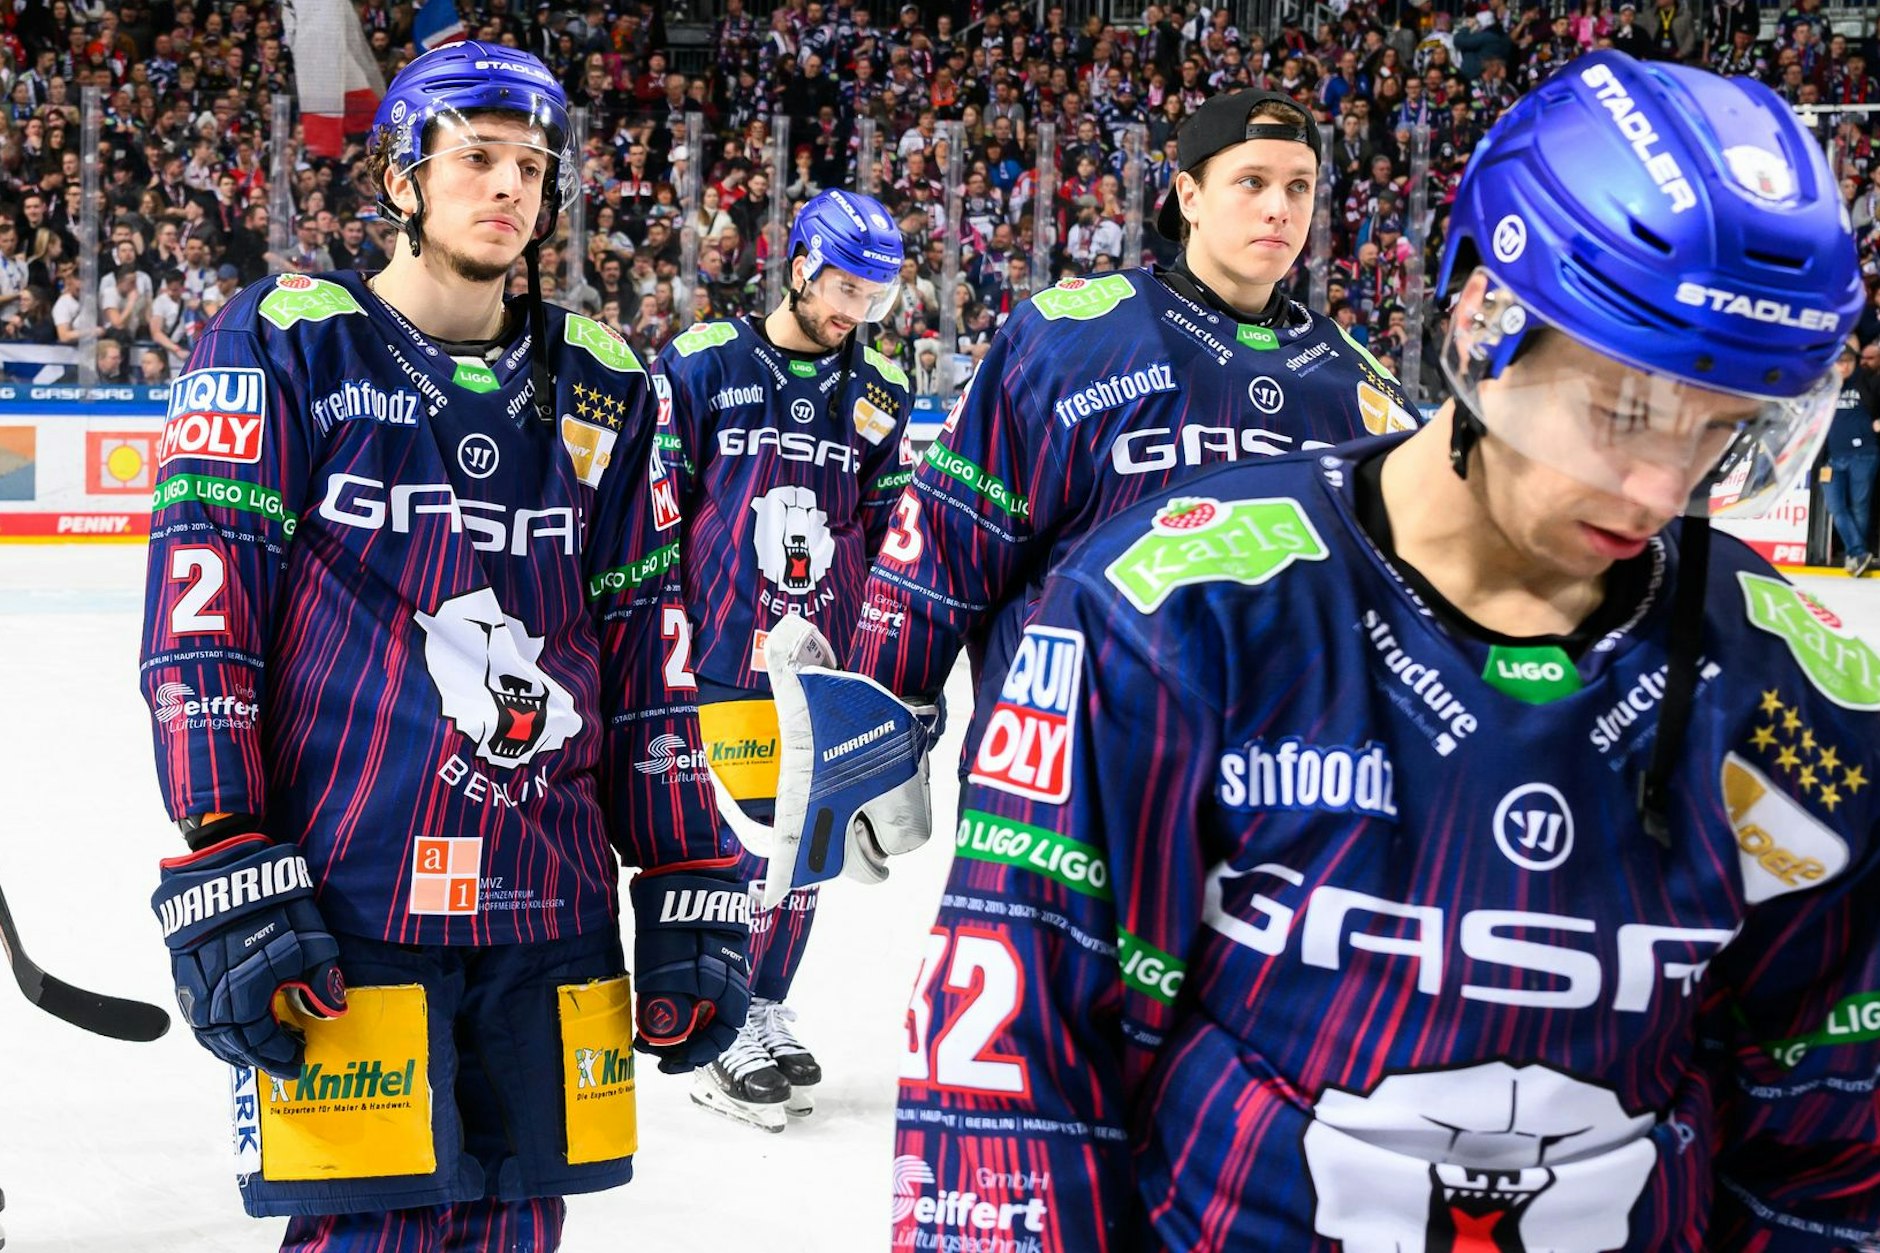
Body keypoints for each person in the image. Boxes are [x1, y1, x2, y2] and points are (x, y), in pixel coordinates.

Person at [887, 50, 1880, 1249]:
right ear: (1485, 321)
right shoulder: (1162, 606)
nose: (1660, 484)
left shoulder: (1796, 687)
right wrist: (892, 700)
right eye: (1619, 405)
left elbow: (1828, 1145)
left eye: (1719, 433)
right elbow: (1011, 1089)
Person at [139, 43, 750, 1252]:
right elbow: (202, 614)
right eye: (475, 157)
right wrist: (227, 844)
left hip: (550, 895)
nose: (509, 187)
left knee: (524, 1224)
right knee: (370, 1236)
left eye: (530, 164)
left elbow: (648, 643)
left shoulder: (607, 380)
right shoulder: (286, 339)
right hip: (348, 896)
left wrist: (685, 871)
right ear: (402, 179)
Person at [717, 89, 1421, 903]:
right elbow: (945, 541)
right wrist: (874, 721)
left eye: (1300, 186)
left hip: (1285, 817)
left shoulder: (1359, 388)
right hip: (1059, 790)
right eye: (1252, 181)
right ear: (1187, 195)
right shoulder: (1070, 336)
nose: (1280, 208)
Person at [653, 188, 914, 1131]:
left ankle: (760, 1001)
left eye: (876, 297)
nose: (855, 311)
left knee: (806, 854)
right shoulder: (701, 363)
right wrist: (658, 640)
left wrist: (883, 661)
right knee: (748, 849)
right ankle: (715, 1030)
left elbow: (889, 532)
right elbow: (655, 509)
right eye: (845, 285)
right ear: (798, 261)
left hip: (824, 660)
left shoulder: (879, 392)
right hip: (721, 650)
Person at [1823, 344, 1879, 576]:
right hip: (1831, 458)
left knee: (1859, 506)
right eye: (1840, 361)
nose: (1844, 366)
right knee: (1835, 507)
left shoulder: (1867, 381)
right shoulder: (1825, 387)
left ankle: (1853, 556)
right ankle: (1857, 552)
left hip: (1864, 454)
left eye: (1848, 361)